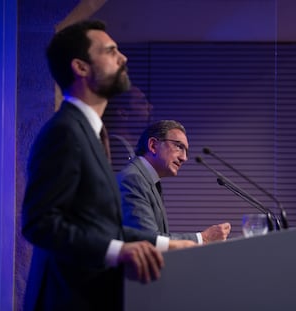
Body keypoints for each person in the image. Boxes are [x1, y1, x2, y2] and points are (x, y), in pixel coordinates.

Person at [21, 20, 194, 311]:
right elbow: (40, 224)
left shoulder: (91, 133)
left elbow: (103, 228)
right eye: (111, 51)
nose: (123, 58)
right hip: (65, 301)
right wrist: (118, 251)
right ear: (81, 67)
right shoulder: (64, 132)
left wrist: (171, 246)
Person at [117, 120, 232, 243]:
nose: (184, 158)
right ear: (153, 145)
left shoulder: (147, 179)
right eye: (178, 146)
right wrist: (202, 238)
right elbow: (148, 238)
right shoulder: (133, 179)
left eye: (186, 151)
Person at [103, 85, 153, 172]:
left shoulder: (127, 151)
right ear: (123, 113)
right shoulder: (115, 150)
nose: (150, 107)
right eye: (142, 103)